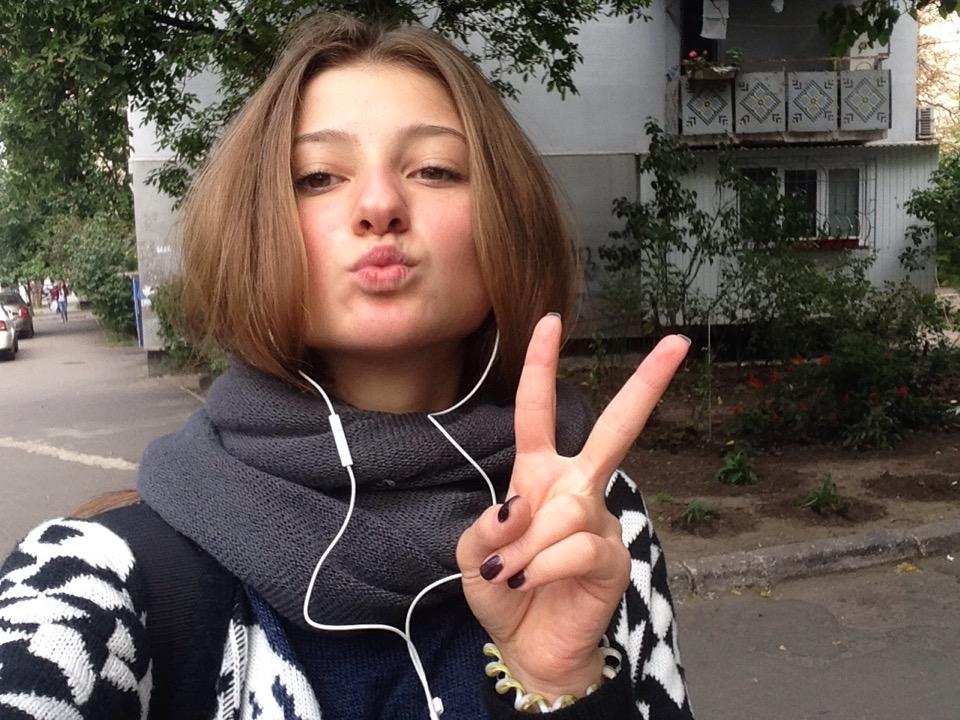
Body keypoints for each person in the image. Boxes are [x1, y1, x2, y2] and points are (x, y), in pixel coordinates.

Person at [0, 14, 695, 720]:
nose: (380, 205)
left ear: (507, 222)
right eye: (318, 177)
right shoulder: (90, 583)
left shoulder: (591, 527)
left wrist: (557, 682)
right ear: (254, 228)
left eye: (434, 169)